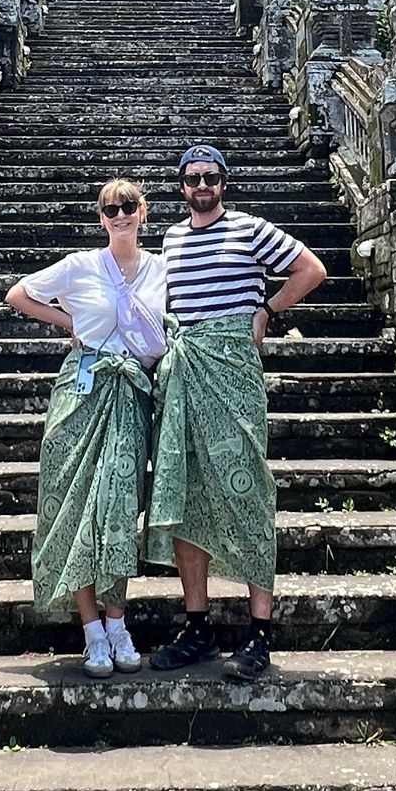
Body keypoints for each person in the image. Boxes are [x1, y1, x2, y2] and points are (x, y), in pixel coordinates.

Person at [145, 142, 328, 679]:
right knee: (186, 495)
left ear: (224, 183)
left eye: (211, 177)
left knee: (248, 491)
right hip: (185, 374)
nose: (202, 186)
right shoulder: (171, 238)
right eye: (193, 178)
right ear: (182, 186)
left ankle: (259, 631)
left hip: (233, 374)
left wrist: (267, 310)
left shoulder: (250, 229)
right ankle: (197, 627)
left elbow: (311, 269)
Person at [4, 178, 168, 676]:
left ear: (143, 212)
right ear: (101, 219)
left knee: (119, 507)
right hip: (81, 390)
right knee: (75, 505)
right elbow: (18, 295)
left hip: (131, 392)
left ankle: (118, 624)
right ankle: (92, 629)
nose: (120, 215)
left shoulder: (162, 269)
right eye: (109, 209)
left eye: (128, 206)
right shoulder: (80, 266)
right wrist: (67, 323)